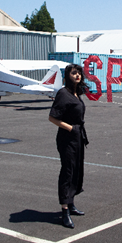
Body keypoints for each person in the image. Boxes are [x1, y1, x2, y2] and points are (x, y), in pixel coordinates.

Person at [48, 64, 89, 229]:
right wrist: (71, 128)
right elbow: (52, 118)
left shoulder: (76, 93)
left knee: (77, 170)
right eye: (74, 73)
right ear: (67, 76)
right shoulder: (63, 94)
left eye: (79, 73)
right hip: (67, 138)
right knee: (67, 171)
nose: (77, 75)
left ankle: (71, 203)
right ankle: (64, 210)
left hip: (78, 136)